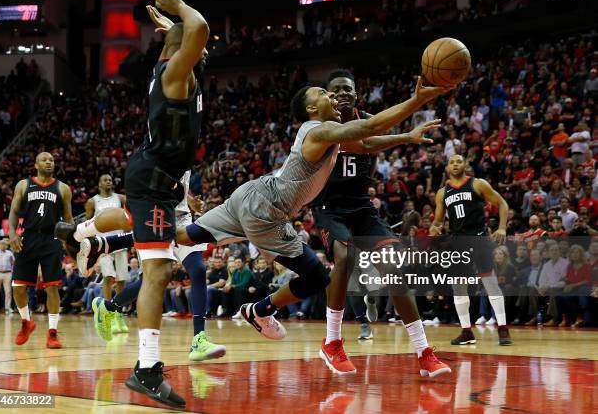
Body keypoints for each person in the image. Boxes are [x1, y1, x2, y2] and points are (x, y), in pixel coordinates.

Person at [174, 74, 447, 376]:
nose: (333, 96)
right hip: (268, 211)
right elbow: (369, 129)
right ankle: (299, 327)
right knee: (319, 275)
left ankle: (119, 239)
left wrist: (407, 137)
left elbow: (366, 141)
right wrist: (418, 100)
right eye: (325, 93)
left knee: (184, 235)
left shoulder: (332, 131)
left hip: (252, 194)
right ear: (312, 109)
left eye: (342, 91)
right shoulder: (319, 130)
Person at [60, 0, 210, 408]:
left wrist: (170, 30)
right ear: (181, 51)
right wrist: (178, 11)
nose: (204, 48)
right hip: (155, 178)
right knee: (159, 271)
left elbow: (190, 36)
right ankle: (146, 369)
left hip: (158, 178)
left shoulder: (177, 67)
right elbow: (199, 27)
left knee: (144, 242)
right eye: (195, 47)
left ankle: (83, 235)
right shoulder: (174, 75)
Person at [311, 69, 449, 376]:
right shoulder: (316, 126)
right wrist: (404, 136)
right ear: (327, 97)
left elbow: (372, 140)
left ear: (357, 95)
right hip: (329, 208)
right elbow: (366, 145)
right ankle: (332, 342)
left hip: (361, 207)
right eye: (336, 90)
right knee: (344, 258)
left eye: (348, 88)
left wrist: (412, 114)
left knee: (394, 269)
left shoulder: (369, 118)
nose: (343, 93)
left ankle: (424, 352)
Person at [430, 155, 513, 346]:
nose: (456, 164)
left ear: (465, 165)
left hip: (479, 238)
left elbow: (501, 203)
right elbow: (438, 220)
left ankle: (503, 328)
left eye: (459, 161)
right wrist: (435, 227)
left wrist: (502, 227)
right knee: (458, 286)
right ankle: (466, 331)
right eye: (452, 162)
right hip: (458, 241)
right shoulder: (442, 193)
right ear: (447, 168)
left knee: (490, 282)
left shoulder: (478, 184)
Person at [9, 152, 73, 349]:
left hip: (51, 238)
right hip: (28, 236)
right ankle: (26, 322)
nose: (49, 162)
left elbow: (69, 219)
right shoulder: (23, 184)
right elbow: (13, 211)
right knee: (18, 286)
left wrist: (69, 243)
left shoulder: (62, 188)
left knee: (52, 286)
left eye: (52, 160)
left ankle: (52, 333)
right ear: (36, 164)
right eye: (45, 160)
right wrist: (12, 233)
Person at [84, 174, 129, 334]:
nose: (109, 182)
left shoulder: (121, 198)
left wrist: (129, 237)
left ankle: (119, 314)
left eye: (110, 179)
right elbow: (87, 224)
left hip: (121, 242)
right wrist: (92, 248)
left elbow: (129, 218)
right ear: (99, 184)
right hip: (103, 245)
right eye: (105, 180)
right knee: (108, 278)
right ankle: (108, 312)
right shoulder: (92, 202)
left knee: (122, 280)